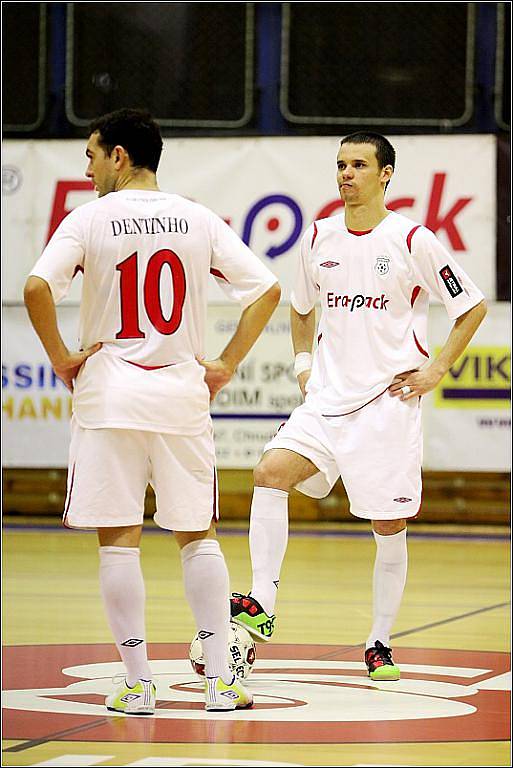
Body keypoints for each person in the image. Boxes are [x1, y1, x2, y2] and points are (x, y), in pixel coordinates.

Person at [24, 108, 281, 713]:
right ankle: (221, 681)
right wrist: (226, 362)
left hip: (109, 394)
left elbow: (37, 288)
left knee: (119, 543)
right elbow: (266, 290)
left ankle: (138, 683)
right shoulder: (197, 218)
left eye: (91, 155)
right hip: (180, 396)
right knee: (198, 537)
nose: (86, 168)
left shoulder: (87, 219)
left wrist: (63, 358)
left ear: (119, 155)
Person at [230, 131, 487, 681]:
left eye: (359, 165)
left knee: (388, 526)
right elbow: (301, 308)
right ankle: (262, 602)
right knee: (269, 473)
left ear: (386, 174)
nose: (347, 174)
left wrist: (437, 369)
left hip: (387, 408)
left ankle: (379, 641)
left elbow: (471, 307)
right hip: (325, 402)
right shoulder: (318, 236)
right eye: (341, 165)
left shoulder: (412, 239)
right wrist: (303, 365)